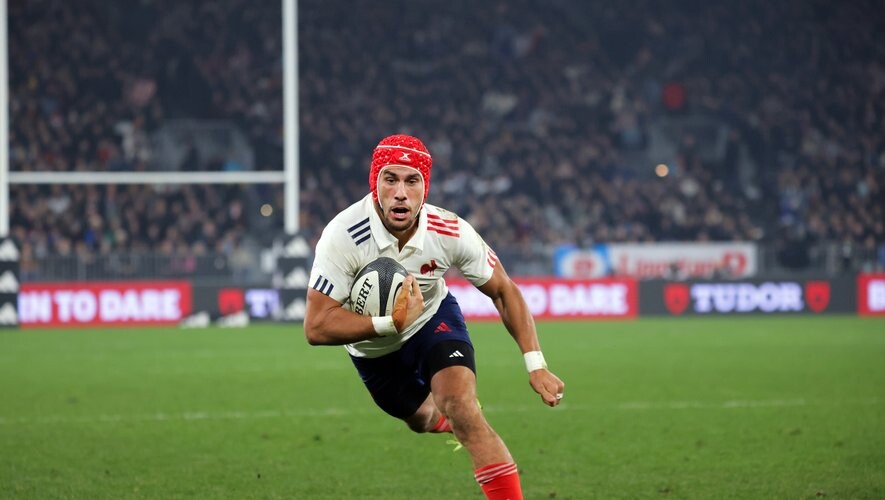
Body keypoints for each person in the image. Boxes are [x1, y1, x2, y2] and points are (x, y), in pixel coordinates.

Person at [304, 134, 565, 500]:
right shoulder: (343, 235)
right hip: (374, 353)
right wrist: (389, 323)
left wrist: (535, 363)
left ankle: (462, 420)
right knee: (423, 420)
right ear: (374, 183)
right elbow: (315, 326)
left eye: (412, 181)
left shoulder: (449, 230)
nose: (400, 192)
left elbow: (505, 290)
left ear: (425, 188)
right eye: (390, 179)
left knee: (463, 409)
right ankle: (448, 421)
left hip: (431, 320)